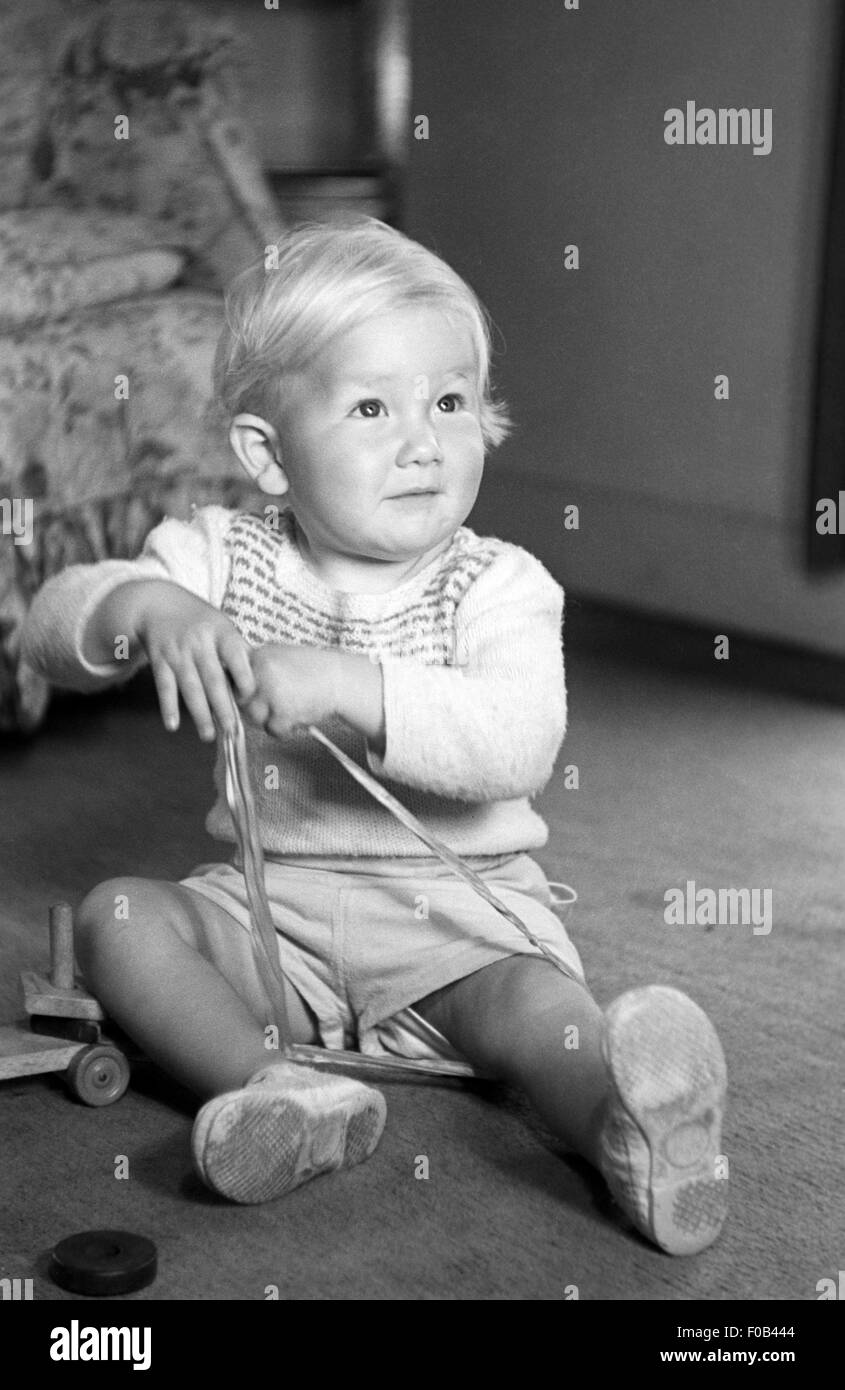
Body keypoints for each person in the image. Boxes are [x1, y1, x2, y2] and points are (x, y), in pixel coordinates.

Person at [22, 218, 728, 1255]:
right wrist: (143, 607)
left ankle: (627, 1126)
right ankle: (281, 1091)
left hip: (453, 921)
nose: (421, 440)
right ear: (267, 453)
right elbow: (48, 633)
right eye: (370, 406)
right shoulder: (218, 558)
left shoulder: (495, 583)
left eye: (448, 402)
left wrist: (352, 685)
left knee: (538, 1008)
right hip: (277, 919)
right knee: (119, 915)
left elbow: (515, 743)